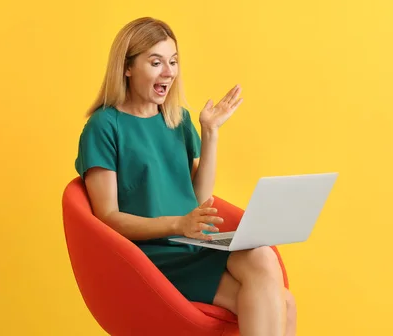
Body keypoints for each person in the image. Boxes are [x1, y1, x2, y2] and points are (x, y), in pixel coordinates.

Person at [74, 17, 296, 336]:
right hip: (148, 257)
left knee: (276, 285)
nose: (169, 72)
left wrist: (210, 133)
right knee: (278, 301)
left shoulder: (177, 120)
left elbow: (198, 197)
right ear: (127, 67)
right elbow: (107, 217)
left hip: (190, 244)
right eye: (156, 62)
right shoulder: (104, 127)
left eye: (173, 62)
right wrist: (178, 224)